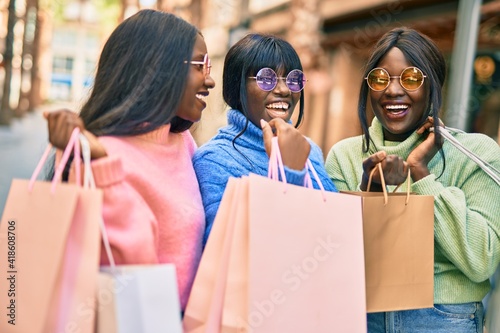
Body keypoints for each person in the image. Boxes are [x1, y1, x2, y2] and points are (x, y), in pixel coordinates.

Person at [325, 27, 500, 332]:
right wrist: (370, 190)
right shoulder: (345, 156)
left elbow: (481, 260)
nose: (393, 90)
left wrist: (421, 174)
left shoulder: (476, 152)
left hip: (445, 320)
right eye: (380, 78)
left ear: (433, 86)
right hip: (363, 317)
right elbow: (331, 258)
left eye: (411, 78)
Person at [44, 9, 215, 312]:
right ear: (157, 69)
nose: (210, 80)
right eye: (200, 65)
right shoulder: (99, 156)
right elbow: (128, 273)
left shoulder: (181, 142)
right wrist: (98, 167)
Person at [193, 33, 337, 246]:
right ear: (236, 86)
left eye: (293, 79)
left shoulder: (309, 150)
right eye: (266, 79)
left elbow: (334, 223)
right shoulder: (214, 159)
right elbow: (222, 247)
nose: (283, 90)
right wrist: (288, 174)